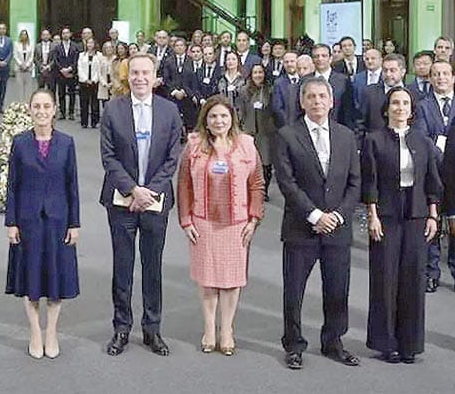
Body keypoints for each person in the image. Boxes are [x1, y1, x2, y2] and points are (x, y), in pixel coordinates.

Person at [273, 76, 361, 370]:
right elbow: (286, 182)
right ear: (302, 102)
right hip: (301, 227)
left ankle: (333, 341)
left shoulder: (346, 136)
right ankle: (294, 344)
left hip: (338, 227)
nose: (317, 102)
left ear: (332, 101)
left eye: (322, 96)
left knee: (338, 288)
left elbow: (355, 183)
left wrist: (336, 216)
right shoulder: (287, 135)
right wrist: (314, 215)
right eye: (311, 97)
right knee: (294, 291)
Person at [100, 53, 183, 357]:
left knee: (152, 267)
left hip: (155, 202)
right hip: (121, 201)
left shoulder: (169, 111)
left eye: (145, 73)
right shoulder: (112, 109)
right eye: (134, 73)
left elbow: (173, 157)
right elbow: (108, 157)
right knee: (122, 268)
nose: (139, 78)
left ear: (155, 76)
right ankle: (121, 327)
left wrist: (149, 192)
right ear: (127, 76)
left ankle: (152, 329)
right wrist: (133, 189)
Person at [177, 95, 264, 355]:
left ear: (232, 119)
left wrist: (254, 218)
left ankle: (227, 330)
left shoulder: (246, 145)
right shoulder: (193, 145)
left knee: (231, 280)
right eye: (213, 116)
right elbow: (183, 184)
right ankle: (208, 329)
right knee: (208, 280)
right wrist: (185, 220)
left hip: (236, 224)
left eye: (224, 116)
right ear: (206, 118)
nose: (218, 121)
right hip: (203, 223)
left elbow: (257, 184)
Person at [362, 87, 441, 364]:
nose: (400, 108)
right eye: (395, 103)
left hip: (417, 215)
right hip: (386, 215)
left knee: (413, 280)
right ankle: (387, 343)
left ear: (412, 109)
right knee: (385, 279)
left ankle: (410, 344)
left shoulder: (422, 140)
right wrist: (372, 215)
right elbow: (369, 181)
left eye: (405, 103)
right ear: (387, 109)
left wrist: (433, 215)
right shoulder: (374, 140)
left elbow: (432, 180)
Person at [5, 90, 80, 359]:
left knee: (56, 278)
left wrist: (74, 223)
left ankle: (52, 331)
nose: (41, 111)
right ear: (30, 110)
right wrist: (11, 222)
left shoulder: (67, 143)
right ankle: (35, 330)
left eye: (46, 106)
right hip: (28, 220)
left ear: (54, 110)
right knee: (32, 278)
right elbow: (12, 186)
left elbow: (73, 185)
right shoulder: (20, 143)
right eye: (36, 106)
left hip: (59, 220)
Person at [414, 60, 455, 293]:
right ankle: (431, 272)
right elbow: (422, 138)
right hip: (434, 173)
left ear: (453, 78)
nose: (441, 78)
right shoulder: (422, 106)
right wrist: (444, 155)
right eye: (436, 74)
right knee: (432, 225)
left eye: (445, 74)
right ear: (430, 79)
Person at [239, 64, 277, 199]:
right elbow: (241, 110)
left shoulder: (270, 90)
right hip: (249, 130)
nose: (258, 75)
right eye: (255, 72)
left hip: (266, 131)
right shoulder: (244, 90)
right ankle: (249, 189)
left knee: (266, 163)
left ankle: (264, 190)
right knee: (249, 162)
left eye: (260, 72)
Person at [163, 37, 200, 135]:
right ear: (174, 47)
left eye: (181, 45)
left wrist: (185, 91)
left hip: (187, 95)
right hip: (172, 96)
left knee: (189, 122)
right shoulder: (168, 61)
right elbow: (166, 79)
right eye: (177, 46)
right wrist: (175, 91)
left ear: (185, 47)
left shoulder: (191, 61)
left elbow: (194, 79)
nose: (179, 48)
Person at [271, 51, 302, 127]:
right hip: (287, 126)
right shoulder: (278, 83)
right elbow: (277, 108)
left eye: (292, 61)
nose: (289, 64)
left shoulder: (305, 80)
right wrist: (289, 125)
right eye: (286, 62)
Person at [54, 27, 79, 120]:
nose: (65, 35)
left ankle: (71, 112)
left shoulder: (75, 46)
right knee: (61, 93)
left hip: (71, 73)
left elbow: (76, 60)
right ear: (61, 35)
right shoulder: (57, 47)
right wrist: (62, 69)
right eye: (63, 33)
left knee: (72, 93)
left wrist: (70, 69)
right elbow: (56, 60)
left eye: (67, 33)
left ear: (70, 34)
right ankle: (62, 112)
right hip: (61, 74)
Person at [77, 37, 101, 128]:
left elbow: (99, 69)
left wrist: (94, 79)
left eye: (92, 43)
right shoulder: (81, 55)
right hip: (84, 81)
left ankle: (95, 122)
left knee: (95, 102)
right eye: (88, 43)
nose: (90, 45)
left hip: (95, 82)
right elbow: (80, 68)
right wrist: (85, 79)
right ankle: (84, 122)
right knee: (84, 102)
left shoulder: (99, 55)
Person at [13, 30, 35, 100]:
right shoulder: (16, 44)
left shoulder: (31, 44)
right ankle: (20, 104)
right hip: (19, 69)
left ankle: (27, 104)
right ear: (20, 36)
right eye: (22, 34)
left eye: (25, 34)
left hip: (28, 69)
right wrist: (21, 65)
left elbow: (32, 56)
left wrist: (27, 65)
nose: (23, 36)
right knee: (19, 88)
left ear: (27, 36)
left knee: (28, 87)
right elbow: (15, 56)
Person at [98, 41, 116, 108]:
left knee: (114, 106)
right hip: (104, 84)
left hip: (114, 84)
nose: (108, 49)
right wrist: (104, 83)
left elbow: (118, 73)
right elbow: (99, 73)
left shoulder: (116, 59)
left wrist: (112, 83)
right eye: (106, 48)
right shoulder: (101, 59)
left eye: (110, 47)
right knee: (105, 106)